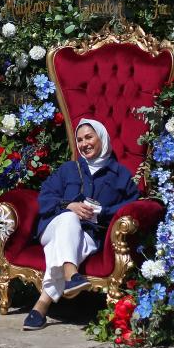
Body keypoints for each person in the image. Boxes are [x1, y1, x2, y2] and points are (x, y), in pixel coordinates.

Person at [23, 119, 139, 331]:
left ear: (101, 138)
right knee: (69, 218)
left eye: (89, 137)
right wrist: (70, 206)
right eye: (80, 139)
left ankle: (41, 306)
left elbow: (132, 206)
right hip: (53, 227)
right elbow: (45, 198)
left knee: (66, 243)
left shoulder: (120, 175)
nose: (84, 143)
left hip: (88, 235)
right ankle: (70, 274)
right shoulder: (69, 169)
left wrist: (103, 213)